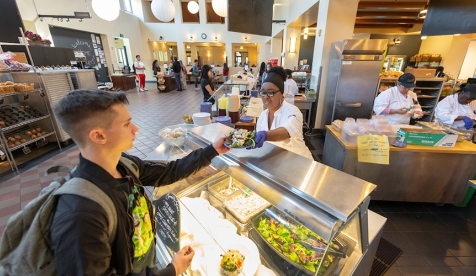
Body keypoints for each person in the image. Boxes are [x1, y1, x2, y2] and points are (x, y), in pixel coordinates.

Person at [51, 89, 231, 275]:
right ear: (99, 136)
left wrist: (212, 151)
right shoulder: (80, 213)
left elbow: (168, 172)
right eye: (126, 124)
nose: (135, 129)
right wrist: (172, 270)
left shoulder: (124, 165)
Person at [254, 66, 313, 160]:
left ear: (281, 94)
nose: (266, 97)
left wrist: (266, 135)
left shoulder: (293, 111)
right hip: (275, 161)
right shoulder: (262, 115)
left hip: (299, 162)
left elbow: (287, 131)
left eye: (271, 92)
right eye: (263, 92)